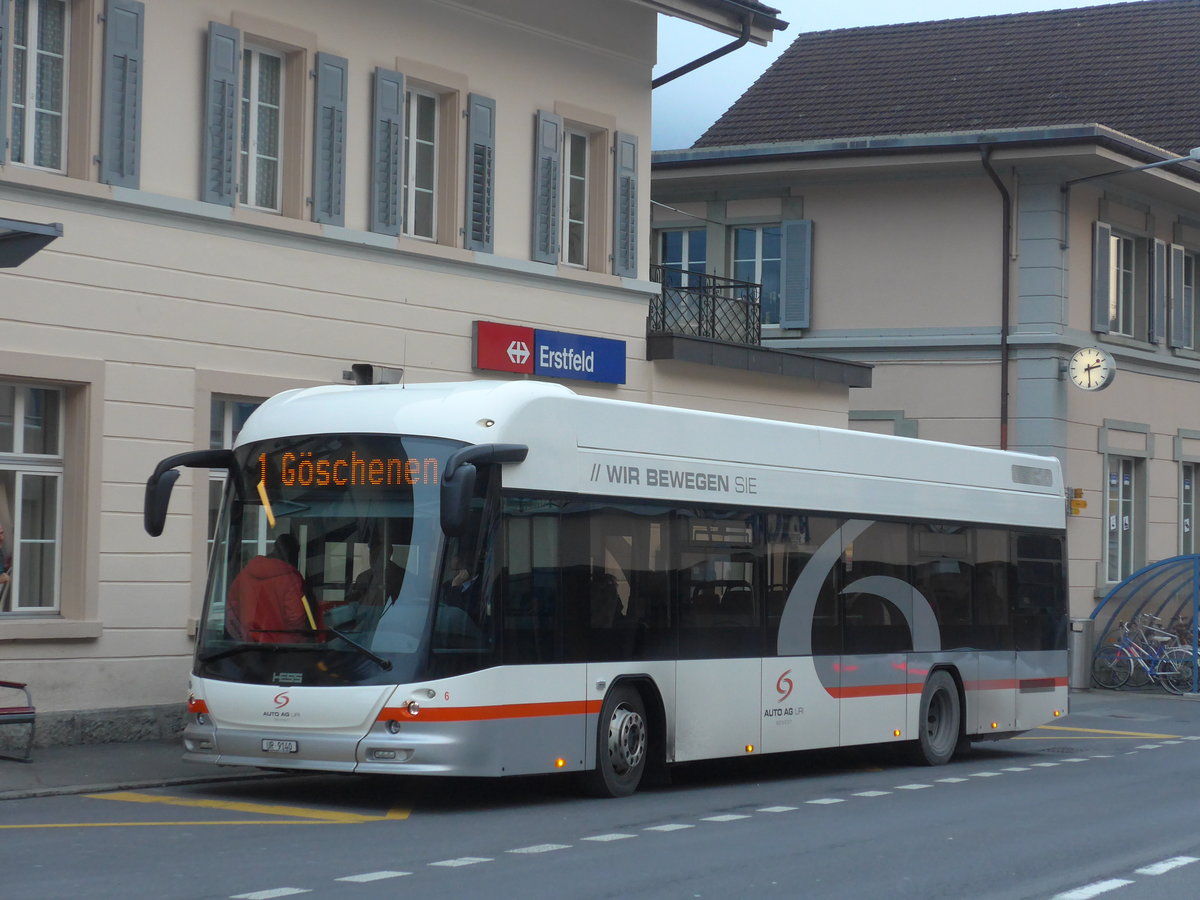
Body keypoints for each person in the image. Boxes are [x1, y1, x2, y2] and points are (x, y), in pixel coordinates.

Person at [226, 534, 321, 643]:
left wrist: (242, 635)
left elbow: (231, 608)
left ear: (274, 548)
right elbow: (296, 620)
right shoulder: (291, 579)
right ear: (293, 554)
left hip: (249, 647)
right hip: (279, 650)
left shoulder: (247, 573)